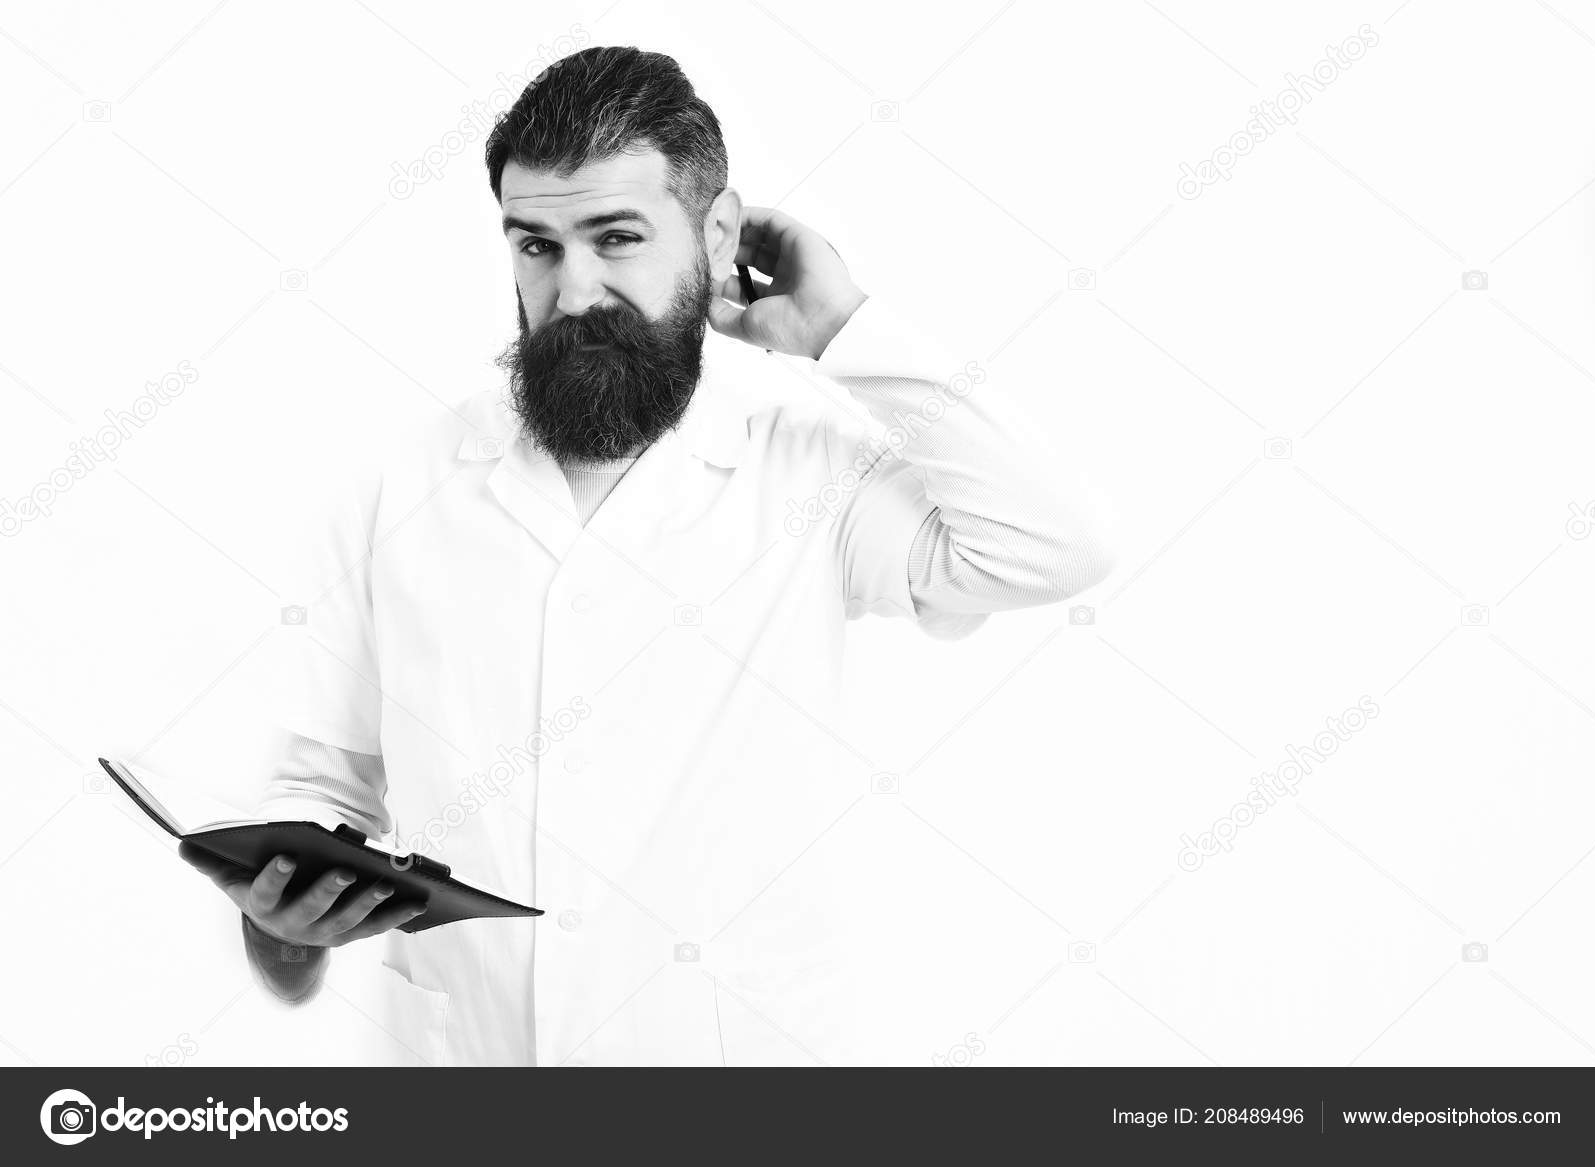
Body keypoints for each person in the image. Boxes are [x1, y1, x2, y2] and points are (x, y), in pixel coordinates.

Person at [184, 44, 1116, 1065]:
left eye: (615, 237)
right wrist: (282, 931)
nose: (573, 289)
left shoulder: (804, 471)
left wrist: (841, 327)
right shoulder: (401, 489)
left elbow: (1053, 545)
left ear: (717, 235)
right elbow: (322, 795)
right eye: (534, 245)